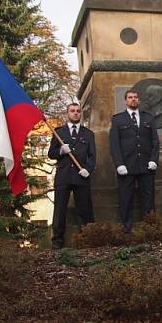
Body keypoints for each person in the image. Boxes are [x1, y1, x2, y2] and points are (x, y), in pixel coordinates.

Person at [109, 89, 160, 233]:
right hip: (126, 166)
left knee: (148, 198)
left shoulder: (148, 118)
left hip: (146, 165)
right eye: (130, 97)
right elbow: (114, 143)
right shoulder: (117, 119)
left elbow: (155, 141)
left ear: (139, 100)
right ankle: (127, 227)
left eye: (136, 97)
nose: (133, 99)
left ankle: (149, 228)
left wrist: (153, 159)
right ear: (125, 101)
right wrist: (119, 164)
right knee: (126, 198)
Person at [47, 103, 96, 249]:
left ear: (81, 114)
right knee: (60, 209)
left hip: (81, 176)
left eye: (78, 111)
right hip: (64, 175)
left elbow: (92, 156)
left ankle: (87, 238)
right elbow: (51, 154)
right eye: (72, 111)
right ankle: (57, 240)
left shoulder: (88, 134)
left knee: (84, 208)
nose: (75, 113)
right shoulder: (59, 132)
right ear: (67, 113)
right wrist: (60, 151)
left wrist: (88, 169)